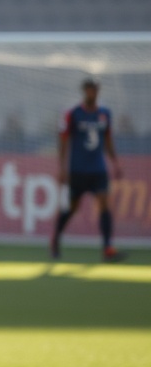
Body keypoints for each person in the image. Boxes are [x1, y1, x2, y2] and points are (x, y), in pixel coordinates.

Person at [50, 76, 125, 262]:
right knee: (73, 208)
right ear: (84, 91)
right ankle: (56, 238)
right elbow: (63, 141)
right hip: (78, 170)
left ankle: (107, 247)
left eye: (95, 89)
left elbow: (108, 140)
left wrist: (115, 162)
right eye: (89, 89)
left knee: (104, 203)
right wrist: (62, 168)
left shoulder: (105, 114)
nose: (92, 92)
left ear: (98, 91)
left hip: (98, 169)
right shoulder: (73, 113)